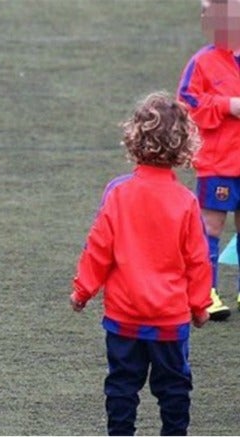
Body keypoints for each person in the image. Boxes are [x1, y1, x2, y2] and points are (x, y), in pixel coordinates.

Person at [70, 91, 212, 436]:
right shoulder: (185, 201)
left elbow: (98, 248)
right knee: (174, 388)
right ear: (184, 145)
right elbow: (197, 259)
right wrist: (199, 304)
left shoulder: (119, 194)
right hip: (169, 318)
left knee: (122, 385)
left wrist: (83, 290)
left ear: (134, 138)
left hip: (124, 317)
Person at [177, 0, 240, 320]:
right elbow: (186, 103)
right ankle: (206, 293)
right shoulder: (202, 62)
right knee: (211, 227)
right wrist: (226, 105)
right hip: (218, 162)